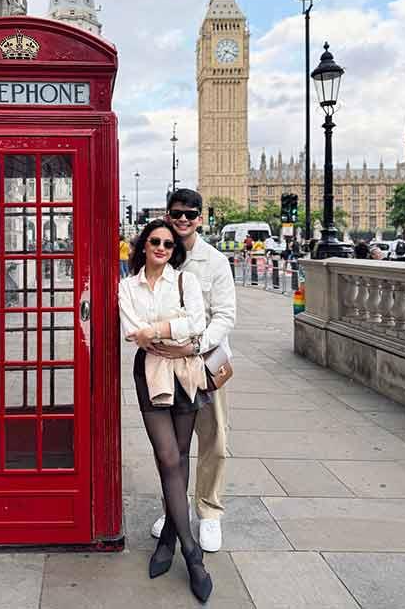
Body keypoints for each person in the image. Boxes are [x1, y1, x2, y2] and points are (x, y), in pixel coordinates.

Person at [119, 219, 215, 602]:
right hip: (151, 375)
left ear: (175, 251)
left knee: (179, 455)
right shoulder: (127, 286)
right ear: (144, 245)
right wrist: (171, 330)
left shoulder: (185, 281)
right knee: (167, 457)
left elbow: (198, 322)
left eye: (169, 244)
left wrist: (156, 330)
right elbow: (133, 330)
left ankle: (169, 542)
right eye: (156, 241)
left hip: (186, 374)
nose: (162, 247)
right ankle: (192, 554)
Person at [148, 189, 236, 555]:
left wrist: (195, 347)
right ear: (168, 215)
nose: (183, 219)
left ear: (201, 218)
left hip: (205, 362)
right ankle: (174, 510)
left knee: (213, 437)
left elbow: (226, 316)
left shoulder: (214, 261)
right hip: (166, 365)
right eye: (177, 213)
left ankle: (209, 511)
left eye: (190, 214)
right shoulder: (159, 255)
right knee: (171, 445)